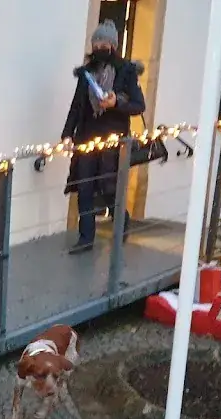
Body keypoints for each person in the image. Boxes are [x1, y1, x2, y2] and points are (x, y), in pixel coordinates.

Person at [61, 20, 146, 254]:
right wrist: (67, 134)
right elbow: (77, 106)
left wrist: (116, 101)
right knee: (85, 187)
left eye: (104, 41)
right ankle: (85, 238)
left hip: (113, 143)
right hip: (86, 139)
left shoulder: (126, 71)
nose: (99, 45)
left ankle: (121, 225)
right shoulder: (86, 74)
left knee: (110, 189)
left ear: (113, 45)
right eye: (96, 41)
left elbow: (139, 105)